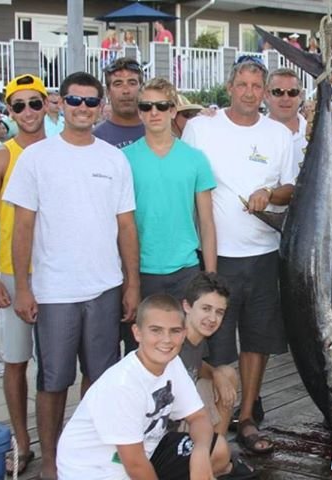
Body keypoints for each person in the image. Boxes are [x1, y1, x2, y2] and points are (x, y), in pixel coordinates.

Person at [3, 72, 140, 479]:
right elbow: (23, 226)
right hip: (54, 291)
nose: (83, 108)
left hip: (104, 288)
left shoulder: (114, 158)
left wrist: (131, 283)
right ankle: (51, 462)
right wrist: (24, 288)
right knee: (52, 381)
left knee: (98, 382)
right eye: (74, 101)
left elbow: (127, 226)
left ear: (101, 106)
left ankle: (89, 456)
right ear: (58, 104)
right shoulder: (36, 157)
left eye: (90, 101)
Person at [182, 56, 297, 455]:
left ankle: (246, 417)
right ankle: (217, 425)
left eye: (256, 86)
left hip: (264, 254)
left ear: (264, 92)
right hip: (214, 255)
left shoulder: (279, 134)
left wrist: (271, 194)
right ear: (229, 87)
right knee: (216, 344)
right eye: (242, 84)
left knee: (257, 341)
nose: (249, 92)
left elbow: (290, 188)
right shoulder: (200, 127)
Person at [57, 294, 257, 479]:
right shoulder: (122, 384)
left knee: (218, 449)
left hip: (148, 450)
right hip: (97, 470)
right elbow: (134, 465)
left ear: (184, 333)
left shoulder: (172, 363)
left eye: (175, 331)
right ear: (137, 333)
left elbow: (198, 417)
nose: (166, 340)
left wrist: (200, 454)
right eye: (156, 330)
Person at [122, 78, 217, 353]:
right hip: (140, 271)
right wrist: (128, 279)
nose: (154, 112)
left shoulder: (195, 159)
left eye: (162, 106)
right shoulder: (123, 159)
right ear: (139, 111)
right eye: (147, 106)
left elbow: (207, 223)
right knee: (139, 352)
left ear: (174, 110)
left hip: (185, 270)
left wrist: (209, 278)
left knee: (187, 352)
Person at [0, 74, 48, 476]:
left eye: (34, 103)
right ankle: (22, 443)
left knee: (56, 366)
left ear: (47, 105)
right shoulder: (0, 157)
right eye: (18, 105)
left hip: (58, 274)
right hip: (12, 273)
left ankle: (57, 443)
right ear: (8, 111)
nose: (27, 112)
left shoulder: (64, 149)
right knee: (15, 362)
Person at [179, 272, 239, 436]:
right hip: (168, 421)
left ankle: (217, 442)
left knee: (227, 374)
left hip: (186, 407)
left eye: (219, 312)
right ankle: (210, 450)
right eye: (206, 309)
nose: (212, 318)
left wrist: (216, 373)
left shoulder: (198, 336)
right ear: (187, 306)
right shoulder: (174, 342)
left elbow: (196, 363)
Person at [94, 57, 145, 148]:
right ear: (108, 93)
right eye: (118, 84)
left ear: (142, 89)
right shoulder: (95, 139)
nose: (126, 90)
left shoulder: (158, 134)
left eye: (132, 83)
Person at [264, 68, 307, 171]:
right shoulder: (253, 133)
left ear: (300, 96)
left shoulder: (315, 133)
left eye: (292, 92)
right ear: (267, 95)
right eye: (278, 92)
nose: (285, 98)